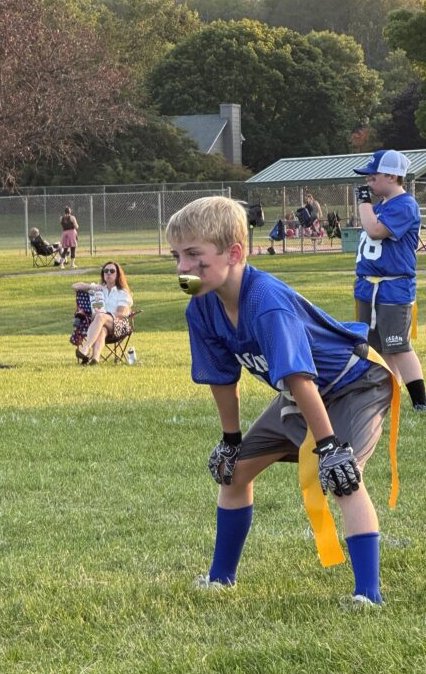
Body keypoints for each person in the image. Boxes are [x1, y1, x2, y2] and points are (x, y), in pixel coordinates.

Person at [166, 195, 396, 606]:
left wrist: (328, 446)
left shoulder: (265, 302)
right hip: (303, 390)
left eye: (193, 255)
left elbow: (298, 376)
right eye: (177, 256)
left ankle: (369, 594)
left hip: (355, 382)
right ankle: (221, 578)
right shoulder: (201, 307)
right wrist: (231, 440)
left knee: (341, 476)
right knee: (233, 473)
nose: (183, 268)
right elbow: (222, 378)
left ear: (234, 252)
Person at [352, 148, 426, 412]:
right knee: (377, 347)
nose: (368, 181)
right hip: (369, 287)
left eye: (374, 176)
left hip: (393, 288)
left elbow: (375, 230)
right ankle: (387, 395)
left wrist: (363, 203)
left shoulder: (405, 205)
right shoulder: (382, 205)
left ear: (393, 177)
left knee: (398, 346)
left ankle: (420, 401)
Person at [73, 262, 133, 364]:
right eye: (106, 271)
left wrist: (105, 316)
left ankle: (86, 348)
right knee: (102, 330)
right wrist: (92, 287)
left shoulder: (122, 292)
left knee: (100, 316)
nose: (108, 273)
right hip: (100, 325)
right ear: (103, 274)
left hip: (118, 325)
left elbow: (121, 314)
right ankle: (95, 359)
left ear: (117, 274)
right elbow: (75, 286)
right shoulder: (99, 288)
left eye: (112, 271)